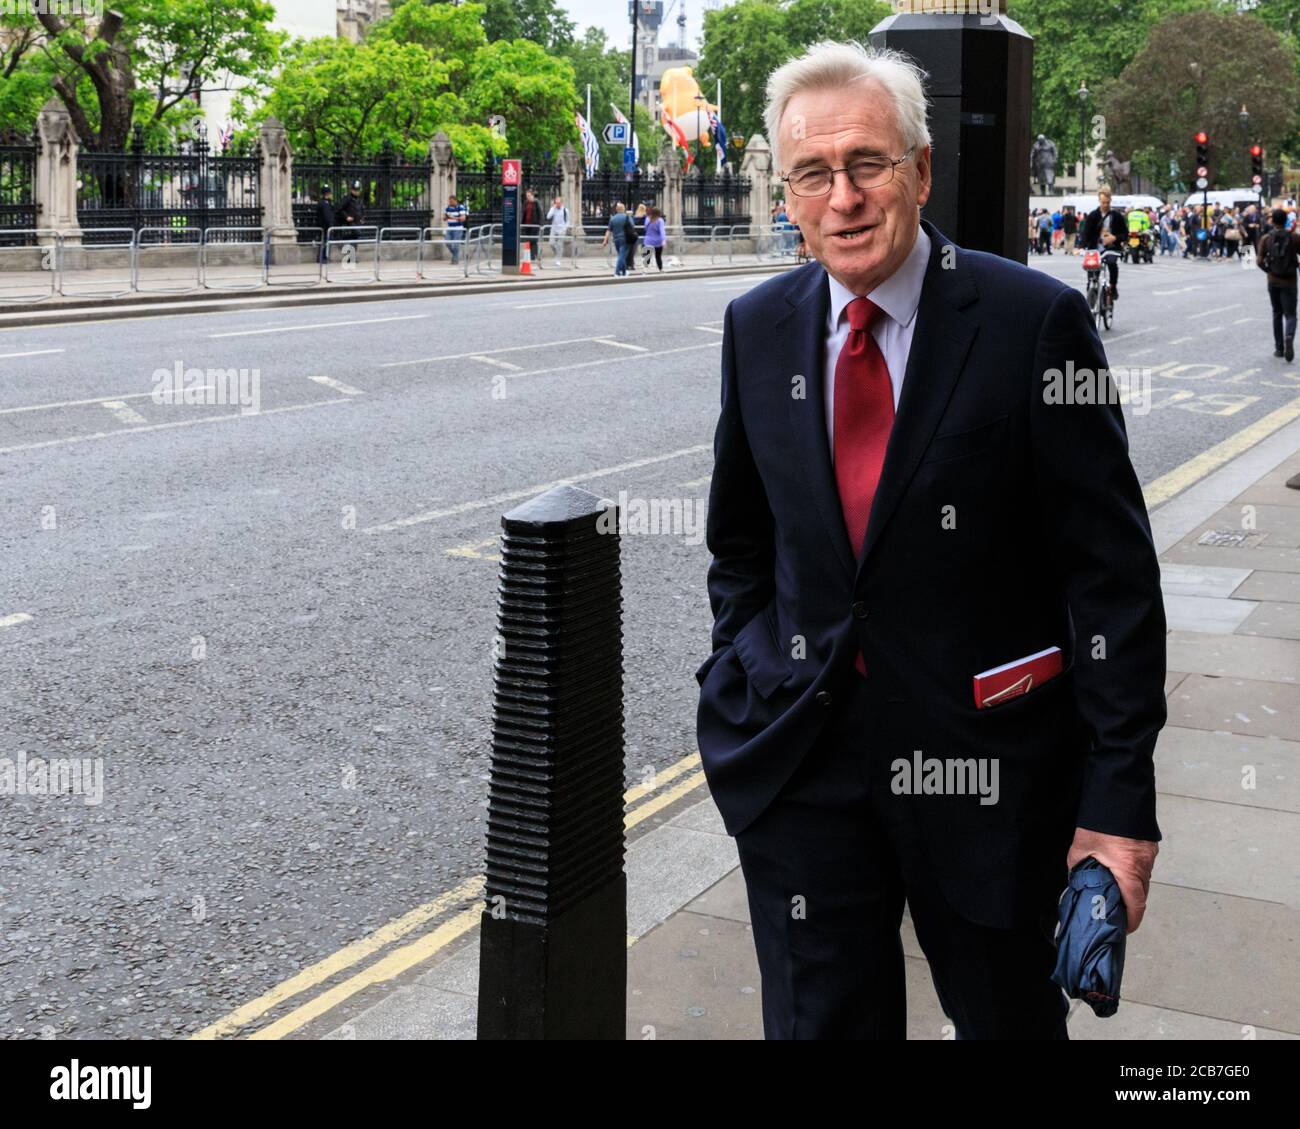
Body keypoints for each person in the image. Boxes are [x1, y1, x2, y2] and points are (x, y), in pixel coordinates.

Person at [699, 40, 1165, 1041]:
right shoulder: (757, 327)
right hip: (803, 770)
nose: (843, 198)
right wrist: (743, 670)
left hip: (988, 774)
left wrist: (1119, 802)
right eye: (812, 174)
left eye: (866, 163)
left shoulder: (1029, 323)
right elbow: (740, 542)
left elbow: (1111, 579)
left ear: (918, 168)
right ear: (786, 193)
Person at [1258, 206, 1300, 361]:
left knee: (1276, 313)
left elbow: (1259, 261)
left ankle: (1279, 348)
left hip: (1273, 280)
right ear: (1286, 220)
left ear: (1273, 221)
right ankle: (1289, 335)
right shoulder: (1294, 237)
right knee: (1291, 314)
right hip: (1290, 281)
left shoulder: (1266, 238)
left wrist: (1269, 271)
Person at [1080, 187, 1125, 299]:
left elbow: (1125, 234)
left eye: (1107, 202)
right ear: (1099, 201)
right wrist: (1080, 247)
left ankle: (1113, 287)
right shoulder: (1093, 216)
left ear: (1110, 200)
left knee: (1112, 264)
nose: (1105, 205)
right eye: (1103, 202)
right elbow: (1086, 233)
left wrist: (1114, 238)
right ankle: (1091, 290)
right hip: (1095, 249)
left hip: (1111, 248)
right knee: (1092, 271)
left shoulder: (1116, 216)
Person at [601, 201, 635, 275]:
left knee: (621, 255)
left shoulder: (613, 219)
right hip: (625, 239)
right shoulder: (627, 217)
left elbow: (608, 230)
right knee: (622, 256)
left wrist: (605, 240)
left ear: (616, 210)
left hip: (616, 240)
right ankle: (617, 272)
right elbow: (633, 227)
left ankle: (624, 272)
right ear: (624, 209)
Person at [444, 193, 468, 265]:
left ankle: (455, 259)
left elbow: (463, 218)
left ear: (455, 201)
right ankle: (455, 255)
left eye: (451, 201)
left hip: (458, 228)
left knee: (455, 245)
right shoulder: (448, 208)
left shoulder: (461, 207)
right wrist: (445, 217)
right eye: (449, 201)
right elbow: (444, 217)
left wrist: (453, 218)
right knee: (447, 242)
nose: (450, 203)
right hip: (449, 228)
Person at [546, 195, 570, 265]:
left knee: (559, 244)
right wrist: (553, 209)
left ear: (561, 203)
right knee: (551, 244)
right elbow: (548, 217)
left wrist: (565, 228)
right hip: (554, 228)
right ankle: (557, 254)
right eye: (556, 203)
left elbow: (568, 220)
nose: (557, 204)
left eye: (558, 203)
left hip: (562, 229)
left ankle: (558, 259)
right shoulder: (553, 209)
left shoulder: (565, 210)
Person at [314, 184, 335, 265]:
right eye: (330, 193)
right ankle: (322, 258)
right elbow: (327, 216)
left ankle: (323, 257)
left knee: (325, 242)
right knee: (325, 242)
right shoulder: (324, 204)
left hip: (324, 226)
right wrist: (330, 225)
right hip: (325, 226)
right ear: (327, 194)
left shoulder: (326, 202)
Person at [521, 188, 542, 269]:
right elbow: (523, 212)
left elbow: (540, 213)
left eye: (529, 196)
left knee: (533, 241)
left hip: (534, 224)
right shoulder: (526, 203)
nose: (528, 197)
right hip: (527, 225)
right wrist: (521, 223)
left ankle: (534, 256)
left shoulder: (536, 202)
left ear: (532, 196)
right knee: (528, 241)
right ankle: (529, 256)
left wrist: (540, 224)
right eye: (527, 196)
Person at [643, 205, 666, 271]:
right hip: (658, 241)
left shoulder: (647, 219)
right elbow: (662, 231)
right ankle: (660, 269)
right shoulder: (660, 220)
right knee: (658, 256)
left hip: (648, 240)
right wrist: (663, 240)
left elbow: (645, 228)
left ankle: (645, 270)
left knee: (647, 256)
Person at [632, 203, 649, 272]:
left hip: (635, 235)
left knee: (633, 249)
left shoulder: (634, 217)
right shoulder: (646, 217)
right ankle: (644, 263)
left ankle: (632, 262)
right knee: (644, 249)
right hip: (644, 235)